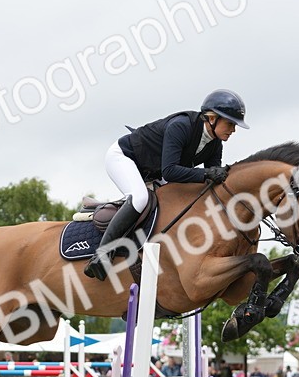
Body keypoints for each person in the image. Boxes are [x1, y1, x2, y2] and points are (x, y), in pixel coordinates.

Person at [85, 89, 249, 281]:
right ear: (212, 118)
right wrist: (206, 173)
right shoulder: (181, 126)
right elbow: (170, 172)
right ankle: (101, 255)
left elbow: (211, 182)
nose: (233, 130)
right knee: (140, 198)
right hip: (125, 158)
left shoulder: (215, 144)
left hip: (154, 170)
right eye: (230, 123)